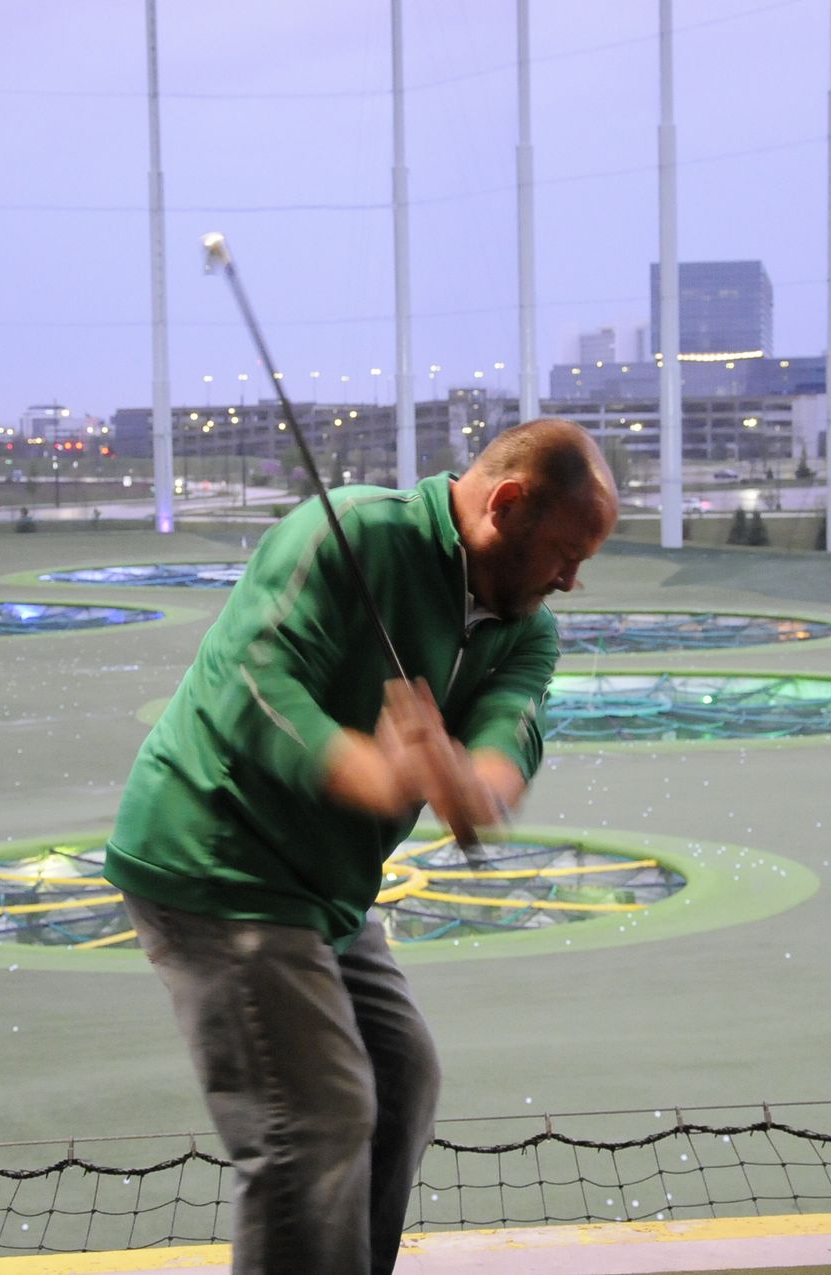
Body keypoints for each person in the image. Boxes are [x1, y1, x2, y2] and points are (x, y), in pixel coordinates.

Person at [106, 418, 618, 1275]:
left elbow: (510, 734)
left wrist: (468, 784)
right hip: (215, 856)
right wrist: (368, 769)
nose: (572, 580)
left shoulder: (525, 625)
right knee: (317, 1118)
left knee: (401, 1078)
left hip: (327, 893)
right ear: (508, 503)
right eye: (566, 551)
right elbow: (253, 680)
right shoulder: (349, 533)